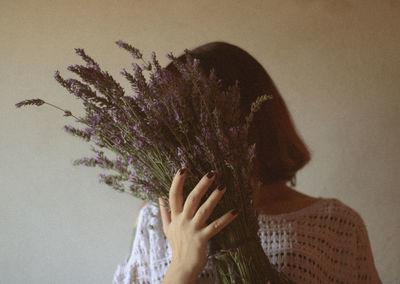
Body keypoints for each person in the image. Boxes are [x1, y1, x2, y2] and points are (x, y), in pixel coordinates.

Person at [113, 41, 382, 283]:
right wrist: (181, 268)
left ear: (250, 121)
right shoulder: (155, 220)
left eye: (191, 124)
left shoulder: (336, 225)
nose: (180, 145)